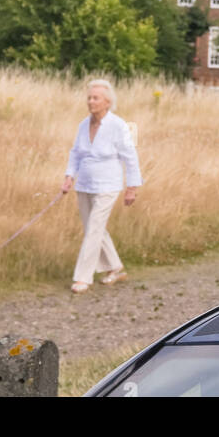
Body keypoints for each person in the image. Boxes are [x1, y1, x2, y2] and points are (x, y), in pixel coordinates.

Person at [62, 78, 141, 293]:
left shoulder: (118, 125)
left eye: (95, 98)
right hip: (85, 184)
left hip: (108, 185)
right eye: (89, 97)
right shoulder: (83, 124)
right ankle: (116, 268)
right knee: (93, 229)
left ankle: (83, 277)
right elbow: (75, 152)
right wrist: (69, 176)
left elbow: (130, 157)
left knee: (94, 230)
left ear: (107, 102)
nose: (91, 101)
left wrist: (132, 187)